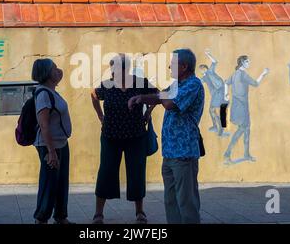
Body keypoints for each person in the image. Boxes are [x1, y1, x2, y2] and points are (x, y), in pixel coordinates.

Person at [128, 49, 205, 224]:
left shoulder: (193, 84)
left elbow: (169, 103)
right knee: (171, 202)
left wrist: (158, 97)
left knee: (187, 202)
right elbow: (159, 96)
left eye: (173, 63)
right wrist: (141, 98)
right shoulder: (176, 85)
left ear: (184, 66)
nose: (170, 66)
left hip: (184, 153)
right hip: (170, 153)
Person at [91, 54, 158, 224]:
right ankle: (98, 213)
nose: (112, 72)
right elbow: (93, 94)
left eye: (116, 68)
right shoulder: (107, 85)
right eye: (111, 68)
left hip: (135, 136)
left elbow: (157, 95)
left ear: (125, 69)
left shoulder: (140, 82)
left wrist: (148, 113)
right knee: (106, 171)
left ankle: (140, 212)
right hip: (110, 136)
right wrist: (100, 116)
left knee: (137, 172)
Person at [31, 58, 74, 224]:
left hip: (61, 143)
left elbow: (58, 76)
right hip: (49, 145)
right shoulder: (43, 94)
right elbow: (44, 125)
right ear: (47, 74)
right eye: (55, 68)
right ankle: (41, 218)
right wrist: (51, 152)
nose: (59, 70)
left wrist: (58, 74)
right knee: (49, 184)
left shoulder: (52, 91)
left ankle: (61, 216)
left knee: (62, 181)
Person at [223, 56, 269, 164]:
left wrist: (226, 94)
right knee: (242, 129)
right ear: (243, 63)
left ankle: (246, 154)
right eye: (248, 61)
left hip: (239, 105)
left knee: (247, 129)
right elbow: (256, 83)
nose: (249, 63)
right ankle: (227, 153)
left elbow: (226, 83)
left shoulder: (235, 74)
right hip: (241, 106)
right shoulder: (243, 74)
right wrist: (263, 74)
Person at [199, 49, 230, 137]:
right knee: (211, 110)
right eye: (200, 69)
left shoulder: (210, 71)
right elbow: (199, 82)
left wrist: (209, 54)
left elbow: (215, 61)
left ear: (205, 68)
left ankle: (220, 130)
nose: (201, 70)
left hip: (219, 92)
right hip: (216, 94)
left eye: (202, 69)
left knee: (213, 110)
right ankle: (216, 126)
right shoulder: (205, 77)